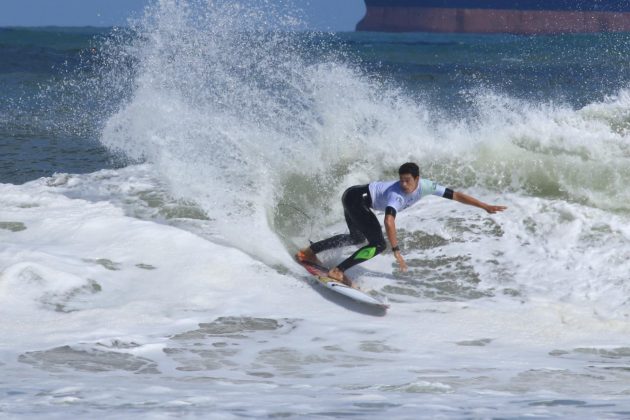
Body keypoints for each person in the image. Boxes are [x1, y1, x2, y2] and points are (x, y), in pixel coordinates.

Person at [296, 162, 507, 287]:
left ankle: (309, 251)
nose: (404, 184)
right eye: (401, 180)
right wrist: (395, 250)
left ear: (417, 179)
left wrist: (484, 206)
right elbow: (389, 221)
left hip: (353, 195)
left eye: (408, 180)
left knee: (358, 238)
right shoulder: (396, 194)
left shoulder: (426, 186)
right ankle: (338, 271)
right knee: (378, 245)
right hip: (355, 199)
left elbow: (456, 195)